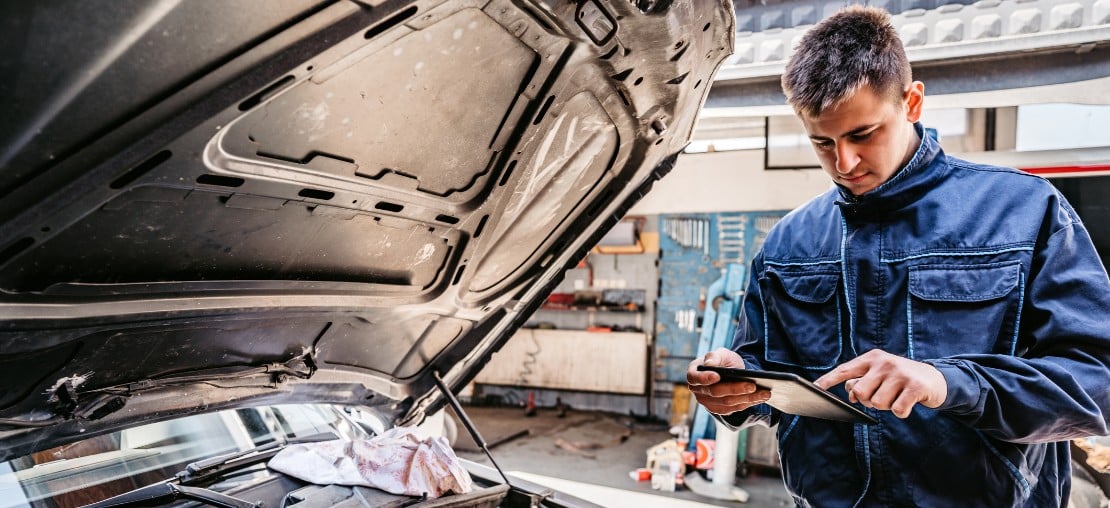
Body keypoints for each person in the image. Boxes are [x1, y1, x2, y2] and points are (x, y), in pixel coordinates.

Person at [686, 5, 1110, 506]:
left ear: (912, 101)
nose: (843, 162)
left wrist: (948, 381)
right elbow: (770, 376)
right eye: (822, 141)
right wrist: (736, 385)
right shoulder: (787, 244)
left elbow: (1096, 384)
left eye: (862, 134)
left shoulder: (1026, 213)